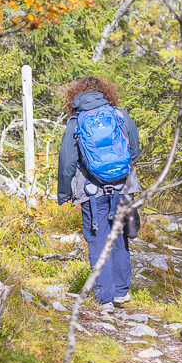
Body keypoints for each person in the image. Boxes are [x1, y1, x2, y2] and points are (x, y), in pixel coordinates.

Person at [56, 76, 141, 306]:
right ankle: (121, 291)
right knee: (119, 237)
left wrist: (63, 194)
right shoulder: (120, 115)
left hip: (92, 192)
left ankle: (105, 299)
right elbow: (134, 151)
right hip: (122, 188)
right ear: (106, 93)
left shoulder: (76, 122)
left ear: (75, 97)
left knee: (97, 240)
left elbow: (66, 162)